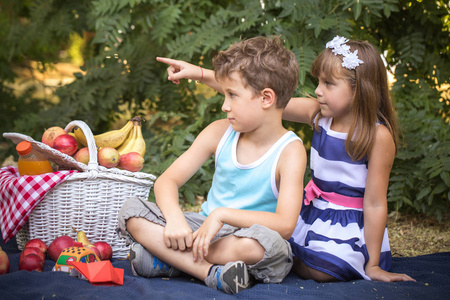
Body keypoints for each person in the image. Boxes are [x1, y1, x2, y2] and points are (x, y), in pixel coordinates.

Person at [157, 36, 416, 283]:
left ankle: (180, 256)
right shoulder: (319, 113)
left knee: (324, 269)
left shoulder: (378, 135)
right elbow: (258, 95)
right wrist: (199, 73)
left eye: (328, 84)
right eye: (319, 82)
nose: (318, 91)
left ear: (360, 90)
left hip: (348, 221)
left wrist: (372, 265)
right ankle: (204, 259)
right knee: (288, 252)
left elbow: (374, 203)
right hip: (313, 213)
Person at [118, 36, 307, 294]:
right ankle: (210, 272)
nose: (224, 104)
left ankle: (172, 260)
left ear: (266, 98)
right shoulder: (220, 131)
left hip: (246, 239)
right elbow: (167, 181)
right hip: (201, 229)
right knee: (132, 211)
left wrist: (222, 215)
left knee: (266, 247)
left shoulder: (290, 151)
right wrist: (174, 220)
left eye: (232, 95)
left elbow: (285, 223)